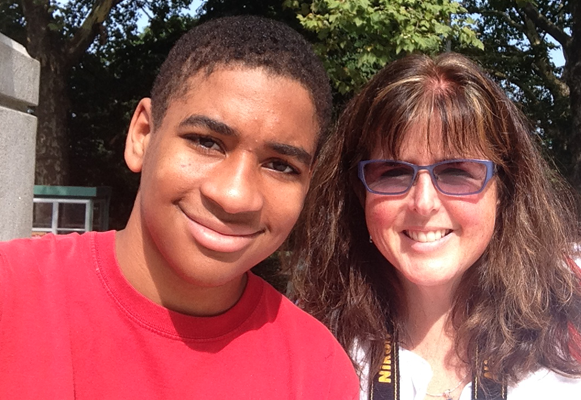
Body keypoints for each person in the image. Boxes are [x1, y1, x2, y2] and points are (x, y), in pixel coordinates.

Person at [287, 52, 581, 400]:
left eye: (457, 172)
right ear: (360, 191)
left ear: (504, 187)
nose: (424, 202)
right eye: (393, 172)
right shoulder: (312, 335)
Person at [0, 15, 358, 399]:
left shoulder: (317, 370)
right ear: (142, 136)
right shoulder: (12, 293)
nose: (235, 196)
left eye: (280, 165)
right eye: (207, 142)